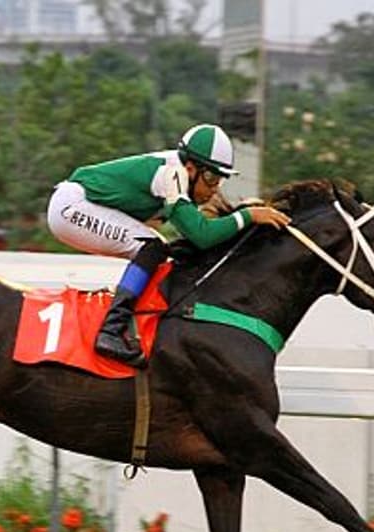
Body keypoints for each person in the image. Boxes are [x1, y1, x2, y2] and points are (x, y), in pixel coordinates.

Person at [46, 123, 291, 368]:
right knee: (151, 248)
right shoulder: (172, 175)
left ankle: (136, 318)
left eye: (219, 180)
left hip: (78, 204)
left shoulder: (181, 174)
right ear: (191, 168)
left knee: (162, 249)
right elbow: (202, 236)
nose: (214, 188)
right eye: (210, 178)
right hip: (72, 208)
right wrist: (249, 216)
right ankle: (110, 330)